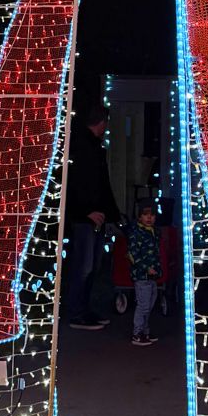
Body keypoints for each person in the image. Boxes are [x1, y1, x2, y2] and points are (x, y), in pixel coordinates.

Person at [64, 103, 120, 329]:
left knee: (90, 265)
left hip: (92, 215)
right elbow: (80, 184)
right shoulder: (84, 148)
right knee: (84, 266)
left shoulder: (90, 147)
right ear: (101, 122)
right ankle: (77, 312)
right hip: (86, 216)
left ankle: (84, 309)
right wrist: (87, 211)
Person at [124, 197, 162, 346]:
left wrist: (157, 269)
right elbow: (133, 254)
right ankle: (137, 332)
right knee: (143, 305)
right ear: (140, 216)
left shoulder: (154, 232)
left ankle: (145, 331)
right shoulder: (137, 233)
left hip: (152, 276)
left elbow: (156, 253)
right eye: (146, 215)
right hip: (141, 276)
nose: (149, 218)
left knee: (150, 303)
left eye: (152, 215)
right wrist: (146, 268)